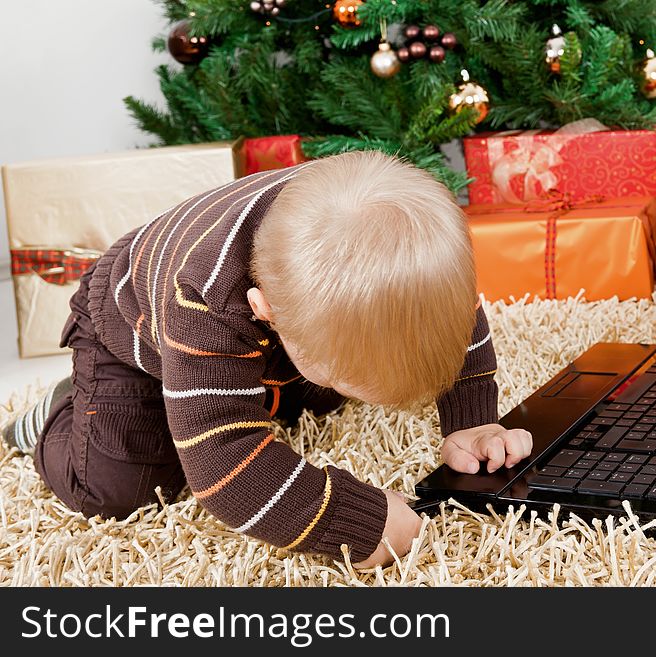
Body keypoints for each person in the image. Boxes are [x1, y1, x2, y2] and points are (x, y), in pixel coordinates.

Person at [2, 151, 532, 567]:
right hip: (128, 332)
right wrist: (357, 522)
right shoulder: (203, 298)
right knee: (122, 488)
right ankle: (61, 413)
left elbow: (451, 322)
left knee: (312, 392)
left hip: (265, 333)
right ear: (266, 312)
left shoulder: (395, 231)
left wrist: (473, 420)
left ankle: (279, 380)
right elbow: (224, 464)